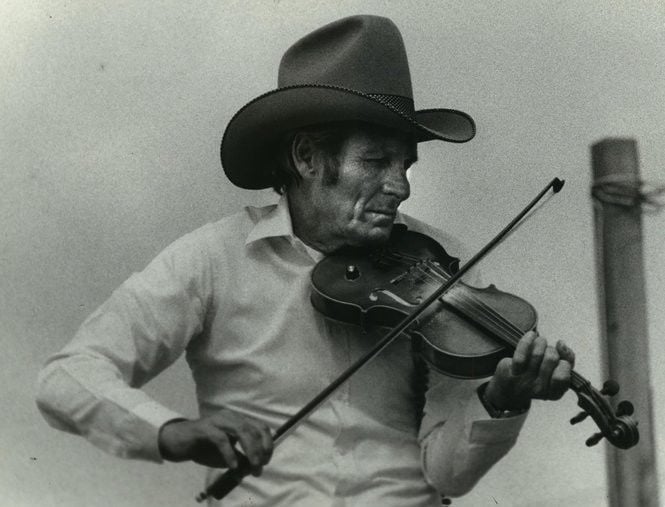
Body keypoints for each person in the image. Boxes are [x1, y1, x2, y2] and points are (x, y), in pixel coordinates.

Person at [36, 15, 575, 506]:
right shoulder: (213, 259)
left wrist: (501, 400)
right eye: (376, 161)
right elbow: (68, 377)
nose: (401, 187)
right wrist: (169, 432)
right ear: (307, 157)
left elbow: (446, 474)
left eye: (406, 164)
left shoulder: (442, 271)